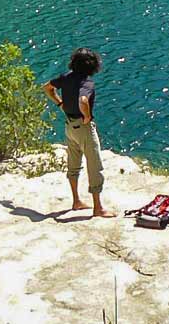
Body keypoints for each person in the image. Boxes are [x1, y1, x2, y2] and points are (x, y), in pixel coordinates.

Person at [43, 47, 115, 218]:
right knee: (94, 165)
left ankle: (76, 201)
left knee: (73, 164)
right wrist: (87, 116)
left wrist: (60, 103)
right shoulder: (87, 82)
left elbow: (47, 88)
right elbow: (83, 100)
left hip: (69, 126)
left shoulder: (66, 77)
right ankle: (98, 208)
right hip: (83, 128)